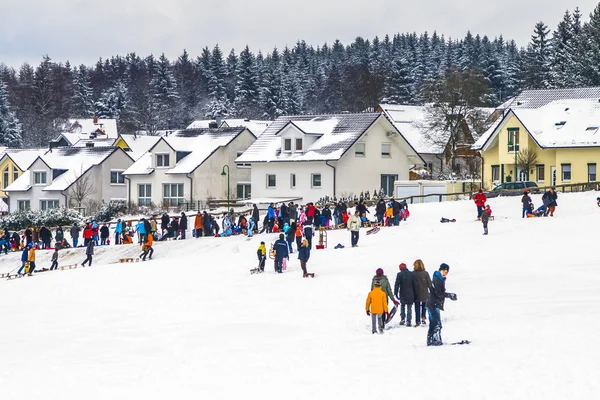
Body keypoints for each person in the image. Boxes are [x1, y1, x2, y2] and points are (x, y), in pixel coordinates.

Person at [426, 263, 458, 346]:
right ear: (441, 270)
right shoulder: (438, 279)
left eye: (447, 272)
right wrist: (449, 295)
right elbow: (439, 293)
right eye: (444, 271)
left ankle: (430, 340)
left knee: (433, 324)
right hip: (434, 304)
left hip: (431, 303)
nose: (445, 273)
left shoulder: (437, 278)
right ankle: (436, 340)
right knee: (437, 324)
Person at [413, 259, 432, 327]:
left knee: (417, 307)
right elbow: (429, 283)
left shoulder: (413, 273)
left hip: (416, 293)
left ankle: (417, 321)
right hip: (424, 292)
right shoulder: (425, 273)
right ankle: (423, 318)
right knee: (424, 306)